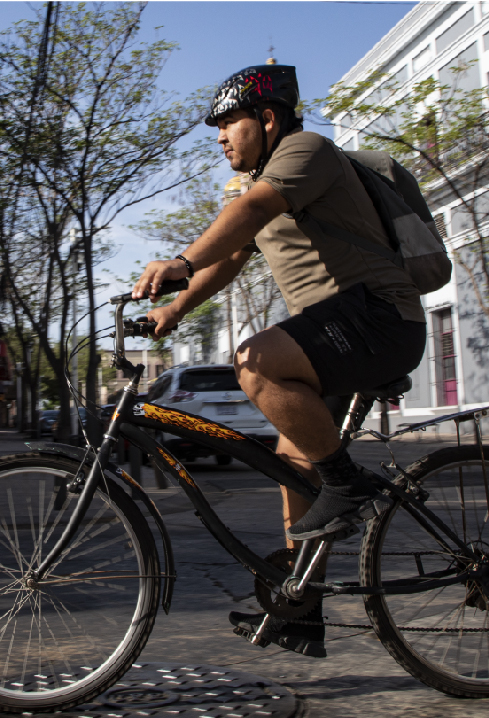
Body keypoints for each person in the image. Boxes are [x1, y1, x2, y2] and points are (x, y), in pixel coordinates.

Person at [131, 63, 428, 657]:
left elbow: (246, 215)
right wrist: (175, 309)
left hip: (380, 319)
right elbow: (230, 256)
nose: (220, 137)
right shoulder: (262, 180)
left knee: (255, 361)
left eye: (228, 124)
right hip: (335, 335)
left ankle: (347, 485)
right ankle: (301, 610)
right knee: (293, 466)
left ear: (267, 119)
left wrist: (180, 261)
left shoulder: (305, 151)